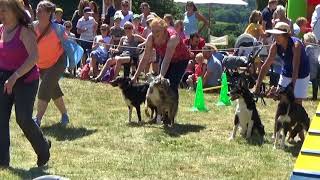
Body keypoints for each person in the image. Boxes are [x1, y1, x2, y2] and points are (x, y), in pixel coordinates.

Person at [0, 0, 51, 168]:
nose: (1, 15)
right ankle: (3, 162)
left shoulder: (24, 30)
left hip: (26, 79)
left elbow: (34, 57)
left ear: (15, 11)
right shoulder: (1, 30)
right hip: (4, 78)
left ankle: (43, 148)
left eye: (4, 11)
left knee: (23, 118)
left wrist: (15, 77)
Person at [33, 0, 70, 127]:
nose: (37, 12)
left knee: (45, 87)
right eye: (37, 9)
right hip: (41, 65)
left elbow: (69, 46)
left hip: (58, 62)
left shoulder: (58, 29)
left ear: (49, 13)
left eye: (40, 10)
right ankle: (65, 115)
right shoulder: (32, 27)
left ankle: (37, 119)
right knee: (53, 89)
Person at [132, 17, 190, 97]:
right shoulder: (151, 38)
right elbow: (145, 58)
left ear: (165, 30)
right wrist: (135, 76)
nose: (155, 34)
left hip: (181, 59)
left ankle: (172, 107)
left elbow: (167, 60)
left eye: (158, 31)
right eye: (153, 31)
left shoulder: (173, 38)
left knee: (171, 84)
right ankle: (161, 106)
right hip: (165, 57)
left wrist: (161, 76)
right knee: (161, 85)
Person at [255, 22, 310, 105]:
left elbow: (296, 68)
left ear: (286, 35)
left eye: (278, 35)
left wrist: (291, 87)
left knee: (296, 103)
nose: (275, 37)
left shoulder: (296, 45)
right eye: (274, 35)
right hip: (286, 73)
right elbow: (266, 66)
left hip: (301, 74)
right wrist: (257, 85)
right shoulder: (274, 46)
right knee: (282, 102)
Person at [304, 32, 320, 100]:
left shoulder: (308, 47)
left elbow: (305, 58)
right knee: (315, 82)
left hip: (310, 70)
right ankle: (314, 96)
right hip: (318, 69)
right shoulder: (318, 47)